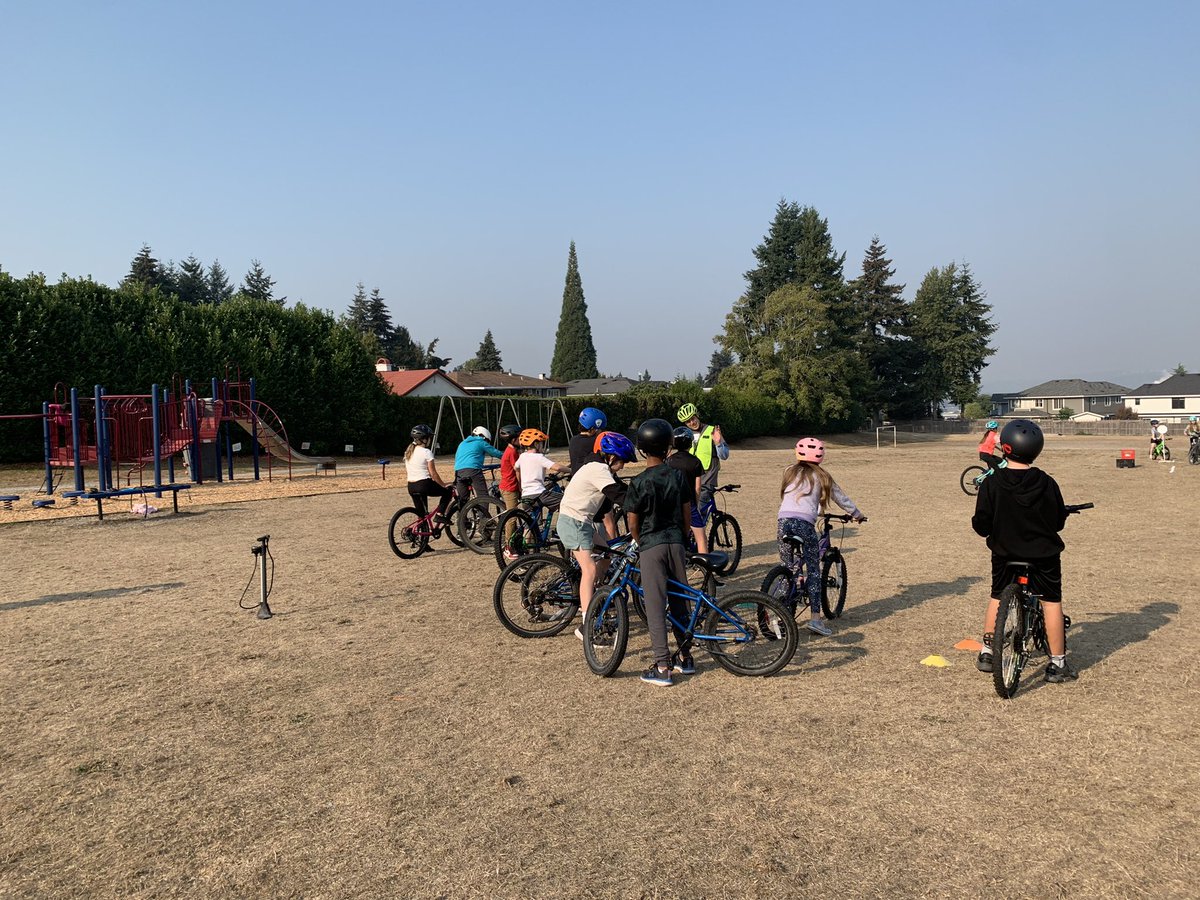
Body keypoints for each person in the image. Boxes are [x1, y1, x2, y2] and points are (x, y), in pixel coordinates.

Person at [972, 419, 1077, 683]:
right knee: (1050, 602)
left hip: (1005, 553)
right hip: (1043, 555)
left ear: (1005, 448)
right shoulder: (1046, 482)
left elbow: (982, 524)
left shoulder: (992, 482)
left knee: (997, 595)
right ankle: (1057, 663)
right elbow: (1057, 522)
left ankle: (987, 652)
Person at [625, 418, 693, 686]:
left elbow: (633, 522)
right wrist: (683, 536)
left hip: (651, 543)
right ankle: (686, 657)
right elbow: (687, 513)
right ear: (668, 447)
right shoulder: (678, 475)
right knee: (680, 600)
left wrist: (640, 540)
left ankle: (663, 666)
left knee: (655, 605)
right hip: (676, 541)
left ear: (641, 449)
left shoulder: (639, 481)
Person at [778, 438, 865, 637]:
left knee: (788, 567)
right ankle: (816, 620)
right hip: (804, 524)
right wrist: (857, 514)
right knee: (814, 570)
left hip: (783, 521)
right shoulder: (823, 476)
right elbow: (841, 498)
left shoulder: (789, 471)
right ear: (820, 455)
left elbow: (795, 496)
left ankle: (780, 612)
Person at [557, 431, 634, 635]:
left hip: (582, 523)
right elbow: (617, 494)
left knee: (606, 555)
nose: (623, 466)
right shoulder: (597, 469)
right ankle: (587, 625)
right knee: (589, 569)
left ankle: (595, 596)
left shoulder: (600, 468)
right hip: (573, 523)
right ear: (611, 457)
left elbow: (622, 490)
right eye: (622, 461)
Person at [677, 402, 730, 524]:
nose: (692, 423)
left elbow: (724, 455)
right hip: (689, 479)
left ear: (697, 415)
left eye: (693, 418)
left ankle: (698, 535)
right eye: (688, 422)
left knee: (698, 513)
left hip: (707, 480)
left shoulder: (712, 431)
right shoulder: (686, 435)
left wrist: (718, 443)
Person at [667, 425, 707, 553]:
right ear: (690, 443)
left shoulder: (669, 461)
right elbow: (698, 487)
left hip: (672, 504)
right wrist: (696, 503)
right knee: (701, 538)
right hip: (689, 503)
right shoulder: (695, 461)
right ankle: (705, 563)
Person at [404, 424, 451, 533]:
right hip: (424, 484)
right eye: (429, 437)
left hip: (411, 486)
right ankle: (439, 515)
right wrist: (443, 485)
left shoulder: (408, 452)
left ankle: (422, 539)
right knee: (447, 492)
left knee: (422, 515)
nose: (430, 440)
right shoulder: (426, 452)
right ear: (424, 439)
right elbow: (433, 474)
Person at [453, 426, 503, 502]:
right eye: (487, 441)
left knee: (462, 500)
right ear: (483, 437)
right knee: (483, 496)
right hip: (473, 470)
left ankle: (462, 510)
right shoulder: (481, 442)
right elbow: (496, 453)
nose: (487, 443)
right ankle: (482, 510)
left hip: (458, 472)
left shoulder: (462, 443)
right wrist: (508, 457)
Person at [569, 407, 608, 471]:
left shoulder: (573, 440)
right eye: (600, 429)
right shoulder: (595, 441)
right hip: (590, 476)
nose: (601, 431)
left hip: (576, 475)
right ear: (592, 429)